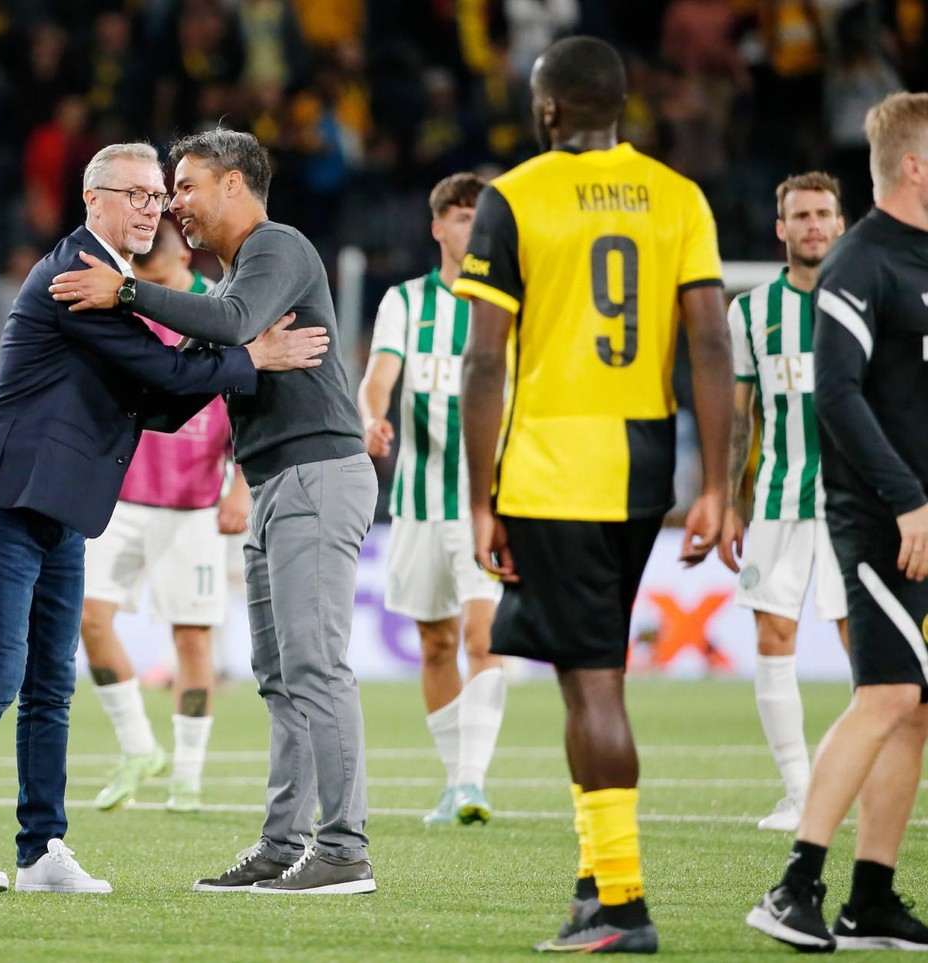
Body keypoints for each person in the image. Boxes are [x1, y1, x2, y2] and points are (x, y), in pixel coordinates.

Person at [0, 142, 328, 896]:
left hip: (58, 506)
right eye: (137, 194)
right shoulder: (80, 276)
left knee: (49, 684)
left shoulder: (119, 283)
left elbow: (163, 401)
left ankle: (41, 847)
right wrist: (252, 356)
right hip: (7, 497)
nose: (154, 209)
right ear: (93, 198)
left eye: (157, 196)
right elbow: (168, 374)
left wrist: (223, 357)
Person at [51, 129, 379, 896]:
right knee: (278, 672)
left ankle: (344, 850)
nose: (175, 204)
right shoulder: (240, 274)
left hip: (317, 474)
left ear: (234, 183)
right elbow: (224, 350)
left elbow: (228, 327)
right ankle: (283, 843)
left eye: (187, 186)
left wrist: (126, 292)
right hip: (274, 481)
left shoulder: (278, 247)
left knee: (315, 664)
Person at [455, 36, 731, 952]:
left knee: (593, 689)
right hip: (644, 466)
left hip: (552, 467)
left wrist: (481, 493)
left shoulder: (516, 196)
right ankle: (593, 882)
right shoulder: (678, 196)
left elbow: (486, 355)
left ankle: (622, 906)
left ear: (546, 111)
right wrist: (716, 484)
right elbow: (710, 346)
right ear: (619, 109)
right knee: (594, 678)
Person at [747, 91, 928, 954]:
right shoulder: (864, 263)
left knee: (916, 706)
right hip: (879, 520)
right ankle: (793, 886)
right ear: (916, 166)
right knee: (886, 692)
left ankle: (870, 898)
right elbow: (838, 395)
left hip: (919, 518)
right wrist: (907, 498)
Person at [80, 215, 248, 815]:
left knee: (192, 639)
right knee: (89, 618)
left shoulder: (224, 310)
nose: (137, 284)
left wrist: (241, 486)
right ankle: (138, 747)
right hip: (123, 494)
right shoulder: (122, 309)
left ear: (181, 260)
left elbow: (251, 399)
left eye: (147, 273)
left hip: (195, 503)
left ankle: (188, 777)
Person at [357, 172, 506, 829]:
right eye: (460, 216)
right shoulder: (405, 302)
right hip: (418, 501)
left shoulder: (510, 305)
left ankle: (473, 779)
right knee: (437, 643)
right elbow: (379, 376)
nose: (471, 227)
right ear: (438, 226)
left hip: (490, 502)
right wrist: (372, 418)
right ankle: (455, 781)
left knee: (484, 635)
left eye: (481, 216)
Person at [716, 172, 849, 833]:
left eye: (823, 213)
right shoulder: (749, 312)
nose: (813, 225)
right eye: (801, 215)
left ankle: (856, 780)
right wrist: (728, 500)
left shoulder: (867, 300)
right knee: (773, 638)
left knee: (871, 651)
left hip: (858, 505)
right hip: (776, 501)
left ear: (841, 223)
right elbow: (741, 417)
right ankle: (801, 793)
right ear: (781, 228)